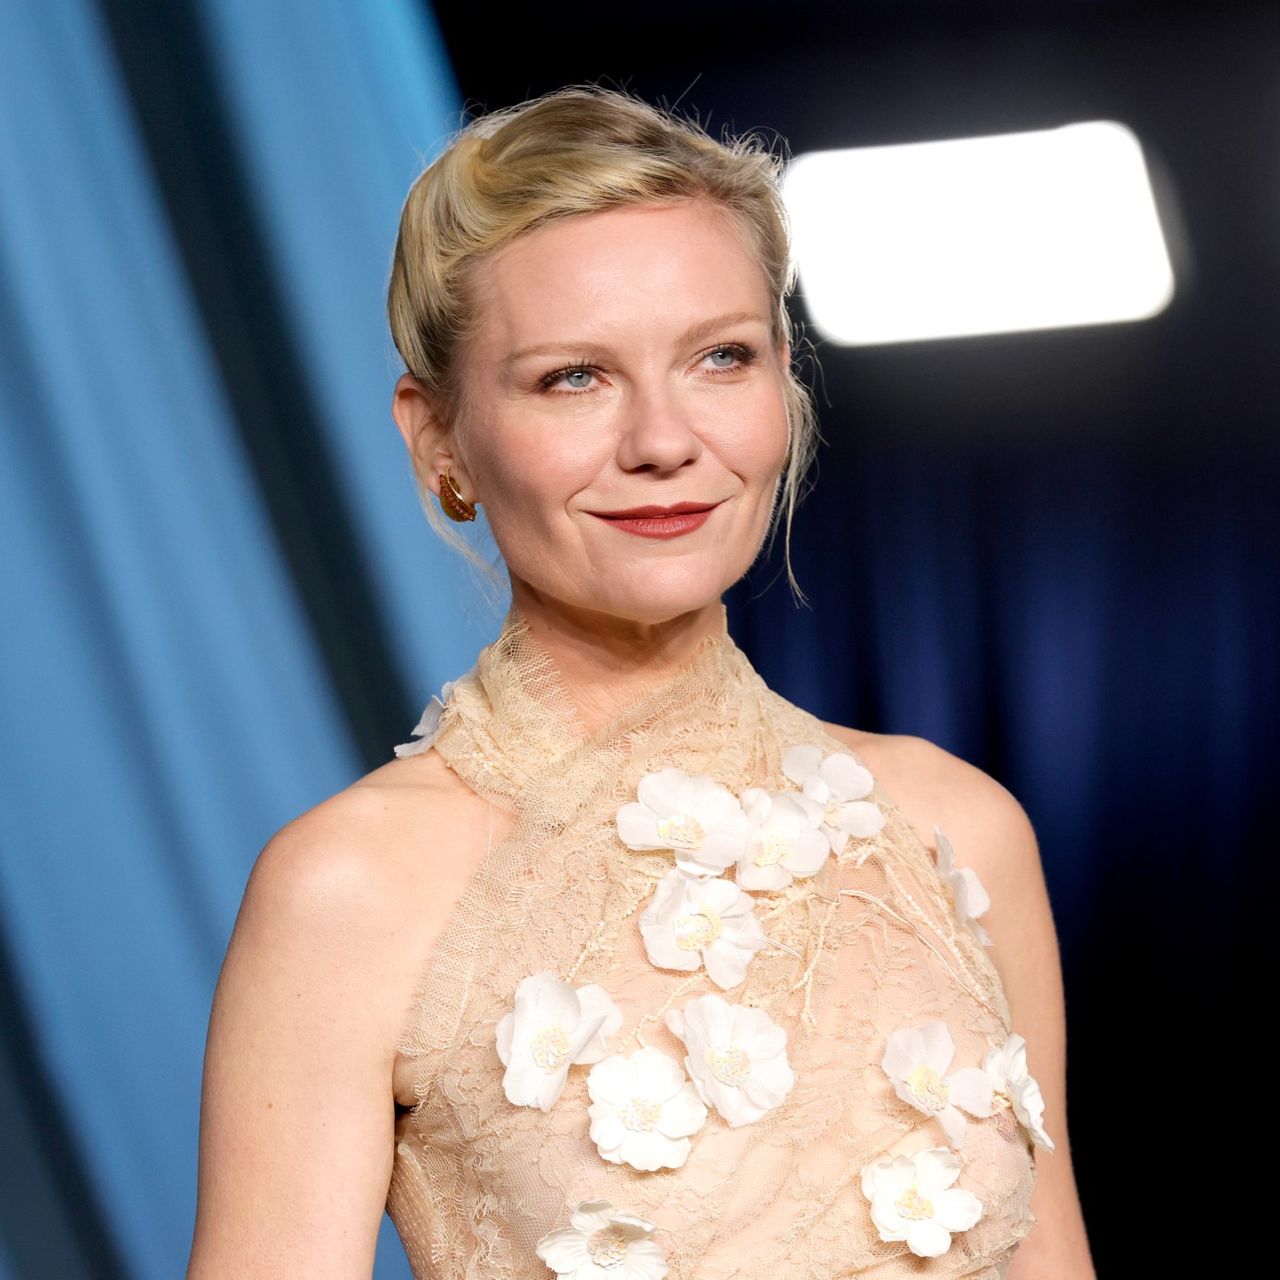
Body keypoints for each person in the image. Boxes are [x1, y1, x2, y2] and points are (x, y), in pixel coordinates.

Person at [187, 86, 1095, 1279]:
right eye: (574, 377)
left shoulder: (955, 830)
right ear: (439, 437)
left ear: (783, 388)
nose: (661, 439)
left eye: (720, 356)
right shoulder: (350, 889)